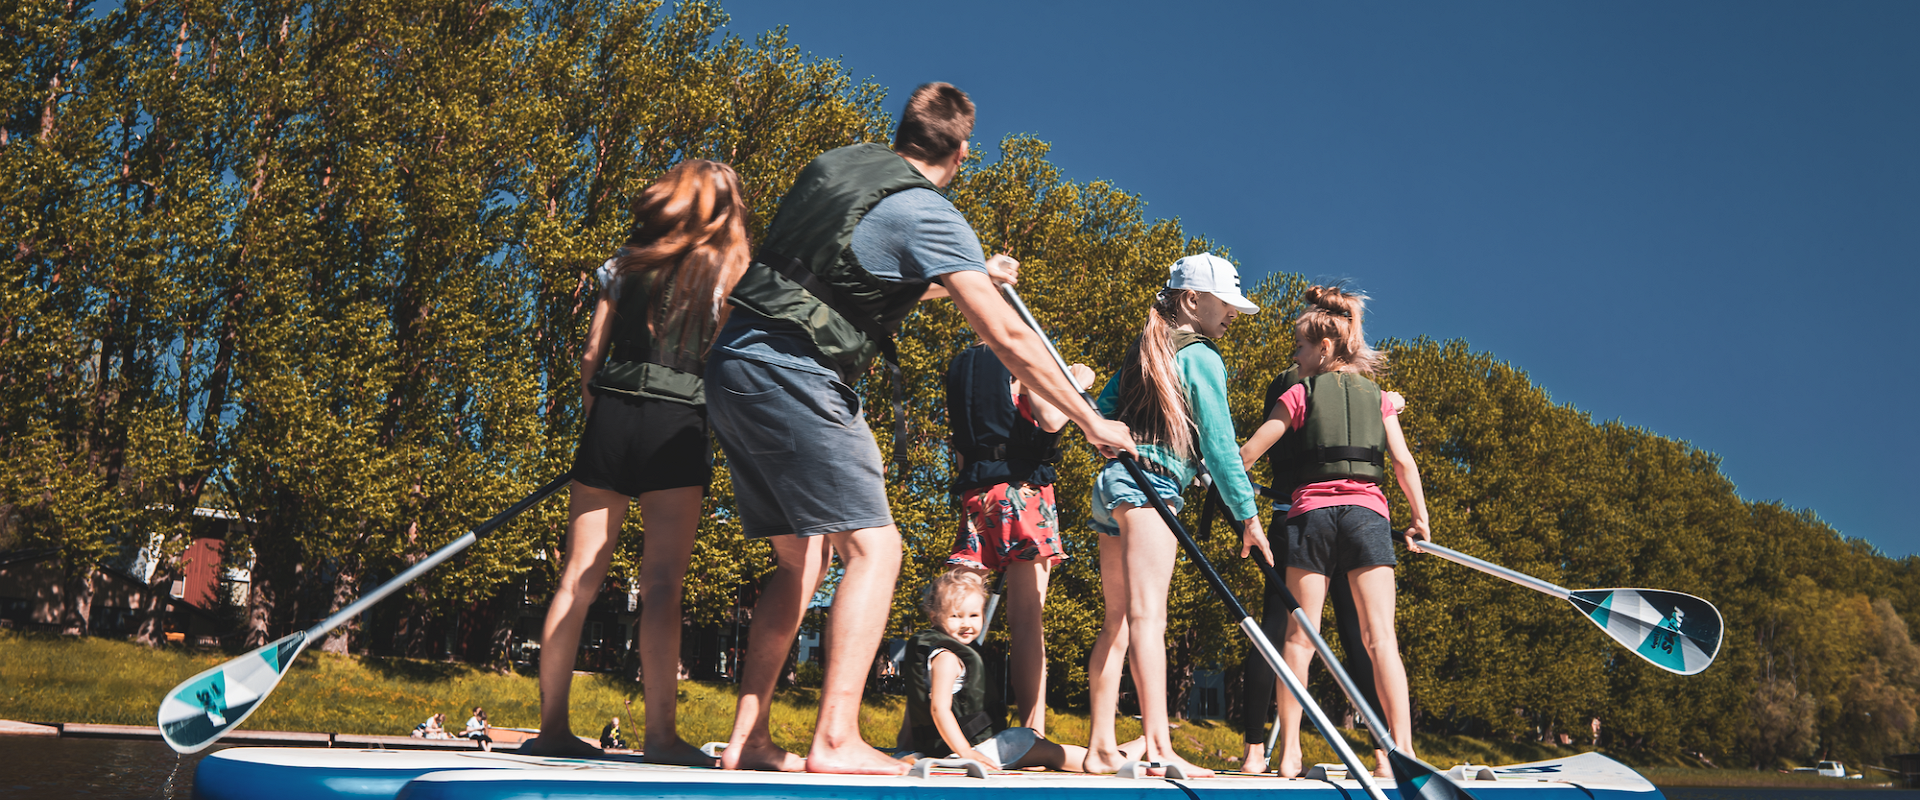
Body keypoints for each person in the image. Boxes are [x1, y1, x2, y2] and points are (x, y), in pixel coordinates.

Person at [706, 82, 1133, 775]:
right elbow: (1005, 336)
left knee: (801, 560)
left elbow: (853, 270)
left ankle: (749, 736)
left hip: (734, 361)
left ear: (899, 131)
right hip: (799, 371)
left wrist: (970, 272)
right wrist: (1090, 420)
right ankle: (836, 739)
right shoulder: (932, 214)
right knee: (877, 550)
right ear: (962, 153)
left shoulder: (836, 167)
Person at [517, 160, 753, 765]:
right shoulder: (733, 270)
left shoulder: (624, 263)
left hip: (613, 416)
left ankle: (552, 729)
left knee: (578, 575)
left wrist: (605, 414)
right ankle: (660, 739)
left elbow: (592, 357)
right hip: (678, 421)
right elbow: (728, 364)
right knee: (663, 585)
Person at [1082, 254, 1271, 777]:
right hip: (1153, 489)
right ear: (1193, 301)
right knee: (1149, 619)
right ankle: (1160, 748)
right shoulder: (1202, 357)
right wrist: (1247, 516)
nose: (1234, 314)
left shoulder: (1146, 346)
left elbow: (1102, 411)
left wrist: (1115, 440)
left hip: (1116, 485)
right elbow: (1220, 443)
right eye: (1227, 304)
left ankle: (1100, 747)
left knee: (1116, 622)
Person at [1237, 285, 1432, 778]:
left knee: (1300, 641)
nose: (1295, 357)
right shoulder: (1382, 398)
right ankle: (1400, 753)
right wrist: (1419, 520)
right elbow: (1404, 465)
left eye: (1300, 348)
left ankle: (1289, 756)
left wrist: (1221, 479)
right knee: (1380, 638)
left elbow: (1248, 454)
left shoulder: (1299, 392)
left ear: (1323, 348)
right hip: (1368, 516)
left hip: (1310, 518)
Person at [1235, 366, 1388, 774]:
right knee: (1357, 638)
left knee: (1275, 631)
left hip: (1293, 520)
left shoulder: (1287, 390)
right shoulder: (1331, 388)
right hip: (1329, 520)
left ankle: (1255, 753)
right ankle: (1383, 753)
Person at [943, 343, 1097, 737]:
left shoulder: (961, 365)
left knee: (953, 615)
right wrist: (1077, 383)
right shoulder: (1018, 347)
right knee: (1027, 621)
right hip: (1022, 493)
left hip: (976, 494)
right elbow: (1050, 420)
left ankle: (930, 720)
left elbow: (959, 445)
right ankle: (1032, 732)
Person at [905, 570, 1107, 771]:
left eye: (974, 615)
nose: (966, 624)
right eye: (956, 616)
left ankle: (1115, 754)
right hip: (977, 748)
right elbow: (939, 709)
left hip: (985, 744)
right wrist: (966, 752)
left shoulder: (948, 652)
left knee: (1054, 753)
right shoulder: (946, 658)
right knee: (1054, 754)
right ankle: (1107, 757)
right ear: (935, 617)